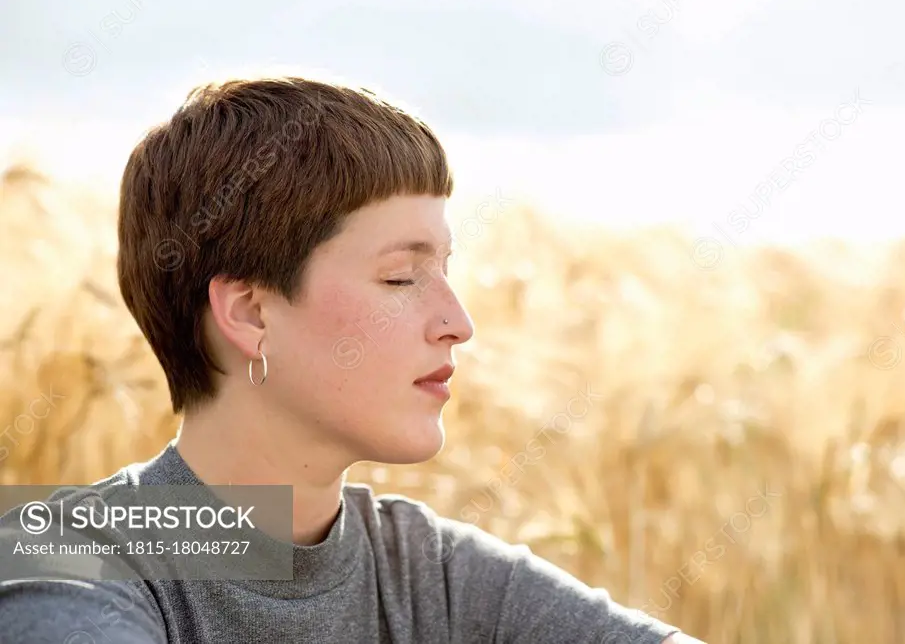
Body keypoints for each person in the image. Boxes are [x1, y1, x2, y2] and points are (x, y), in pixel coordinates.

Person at [0, 76, 702, 643]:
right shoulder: (60, 560)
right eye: (402, 278)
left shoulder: (427, 572)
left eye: (447, 273)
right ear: (249, 313)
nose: (458, 324)